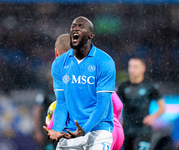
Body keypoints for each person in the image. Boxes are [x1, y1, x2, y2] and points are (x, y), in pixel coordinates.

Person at [43, 16, 116, 150]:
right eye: (73, 26)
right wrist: (57, 129)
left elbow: (102, 104)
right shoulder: (59, 64)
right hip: (70, 132)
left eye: (80, 26)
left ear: (90, 35)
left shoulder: (105, 62)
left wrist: (84, 129)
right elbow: (62, 102)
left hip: (98, 131)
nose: (75, 28)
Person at [117, 56, 165, 150]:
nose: (131, 69)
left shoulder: (150, 86)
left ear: (143, 69)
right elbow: (115, 105)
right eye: (130, 66)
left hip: (143, 130)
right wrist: (118, 119)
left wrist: (152, 117)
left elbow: (162, 107)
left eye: (135, 67)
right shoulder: (123, 86)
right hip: (126, 130)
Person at [33, 34, 70, 150]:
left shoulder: (67, 88)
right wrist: (38, 131)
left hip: (65, 132)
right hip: (48, 133)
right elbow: (37, 111)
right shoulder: (45, 93)